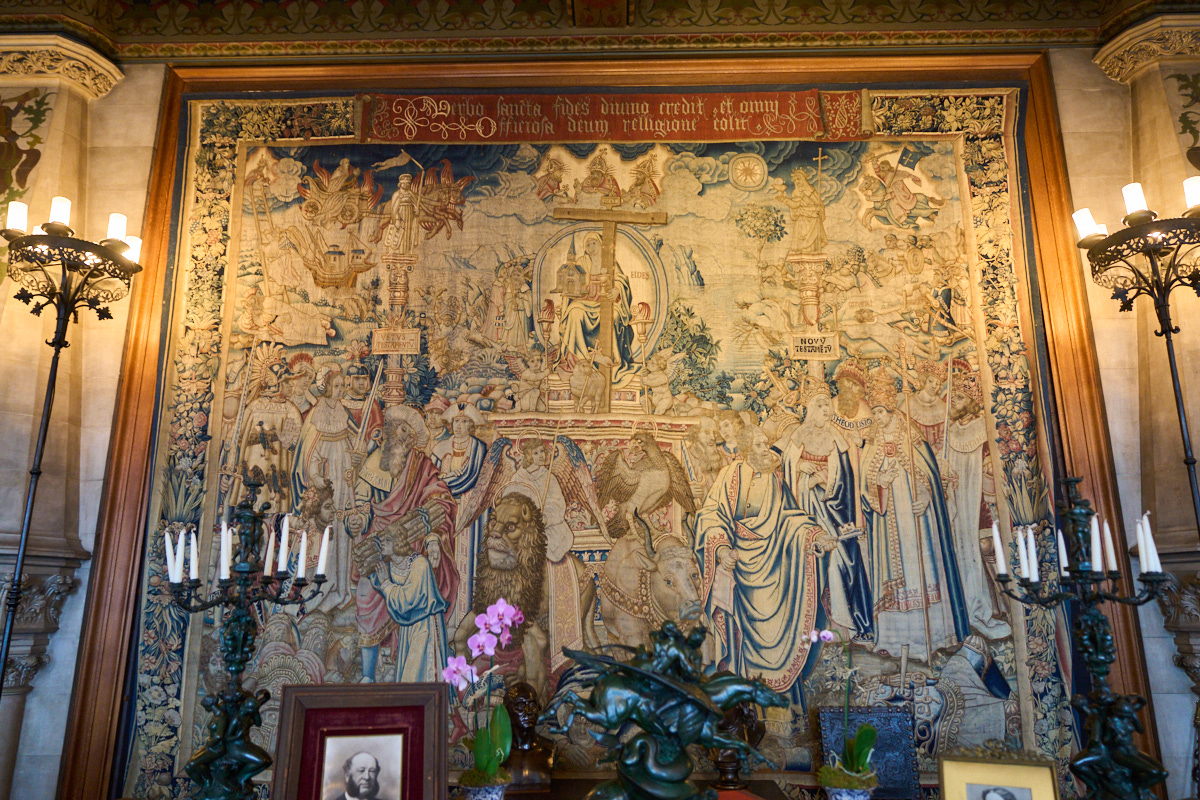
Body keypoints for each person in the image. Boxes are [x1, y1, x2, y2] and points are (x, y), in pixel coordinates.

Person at [694, 423, 833, 711]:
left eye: (766, 444)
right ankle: (744, 706)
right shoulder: (729, 475)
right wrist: (721, 549)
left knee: (780, 633)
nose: (765, 450)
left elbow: (791, 518)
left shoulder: (775, 480)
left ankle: (782, 709)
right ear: (746, 450)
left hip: (774, 569)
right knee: (740, 638)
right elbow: (711, 515)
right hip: (737, 568)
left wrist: (815, 535)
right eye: (758, 445)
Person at [860, 369, 968, 663]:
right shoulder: (872, 437)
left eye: (880, 411)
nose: (877, 417)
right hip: (887, 521)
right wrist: (878, 482)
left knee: (920, 571)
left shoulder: (910, 434)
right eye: (874, 412)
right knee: (895, 576)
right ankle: (892, 641)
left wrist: (926, 497)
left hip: (916, 519)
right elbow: (864, 479)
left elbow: (928, 472)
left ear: (890, 409)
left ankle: (932, 638)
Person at [346, 404, 457, 683]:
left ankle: (403, 666)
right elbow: (361, 503)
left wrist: (433, 537)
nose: (401, 435)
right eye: (398, 428)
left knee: (410, 596)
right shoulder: (373, 462)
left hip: (410, 543)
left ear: (413, 439)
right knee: (366, 597)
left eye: (408, 432)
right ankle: (368, 675)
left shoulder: (422, 467)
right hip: (376, 543)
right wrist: (357, 520)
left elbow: (438, 500)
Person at [782, 376, 874, 641]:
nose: (826, 410)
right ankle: (809, 628)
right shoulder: (799, 435)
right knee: (809, 562)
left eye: (827, 405)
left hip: (834, 509)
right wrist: (800, 469)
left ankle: (846, 625)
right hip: (805, 509)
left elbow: (844, 477)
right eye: (820, 405)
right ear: (811, 409)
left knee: (840, 561)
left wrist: (821, 479)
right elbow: (787, 469)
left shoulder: (836, 437)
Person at [367, 512, 450, 682]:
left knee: (417, 676)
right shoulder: (390, 567)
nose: (383, 543)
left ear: (398, 542)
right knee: (408, 677)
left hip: (424, 625)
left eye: (387, 540)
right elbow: (377, 581)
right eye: (382, 540)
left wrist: (386, 584)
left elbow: (407, 600)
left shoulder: (419, 564)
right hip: (407, 627)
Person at [432, 402, 488, 626]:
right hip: (444, 508)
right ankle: (444, 617)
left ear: (471, 425)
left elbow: (471, 478)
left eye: (465, 422)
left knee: (466, 561)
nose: (459, 426)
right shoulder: (441, 447)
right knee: (443, 560)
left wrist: (444, 482)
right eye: (456, 421)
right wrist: (440, 487)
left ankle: (464, 618)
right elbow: (431, 477)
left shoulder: (478, 448)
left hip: (467, 510)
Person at [557, 231, 636, 383]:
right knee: (574, 311)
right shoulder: (582, 262)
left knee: (614, 315)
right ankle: (584, 357)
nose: (592, 247)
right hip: (586, 301)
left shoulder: (609, 261)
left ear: (600, 244)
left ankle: (612, 357)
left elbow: (621, 281)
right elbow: (571, 281)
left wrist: (617, 290)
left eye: (594, 243)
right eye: (588, 245)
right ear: (585, 248)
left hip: (606, 302)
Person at [503, 682, 555, 789]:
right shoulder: (497, 753)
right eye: (520, 706)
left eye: (532, 705)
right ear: (507, 710)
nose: (528, 711)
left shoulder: (550, 749)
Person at [776, 168, 827, 256]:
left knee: (811, 246)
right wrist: (785, 200)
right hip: (801, 218)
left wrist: (815, 209)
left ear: (803, 179)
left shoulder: (809, 190)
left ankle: (811, 252)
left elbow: (818, 204)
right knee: (800, 238)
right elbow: (795, 205)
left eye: (798, 179)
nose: (797, 181)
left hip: (812, 218)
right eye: (795, 180)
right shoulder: (795, 192)